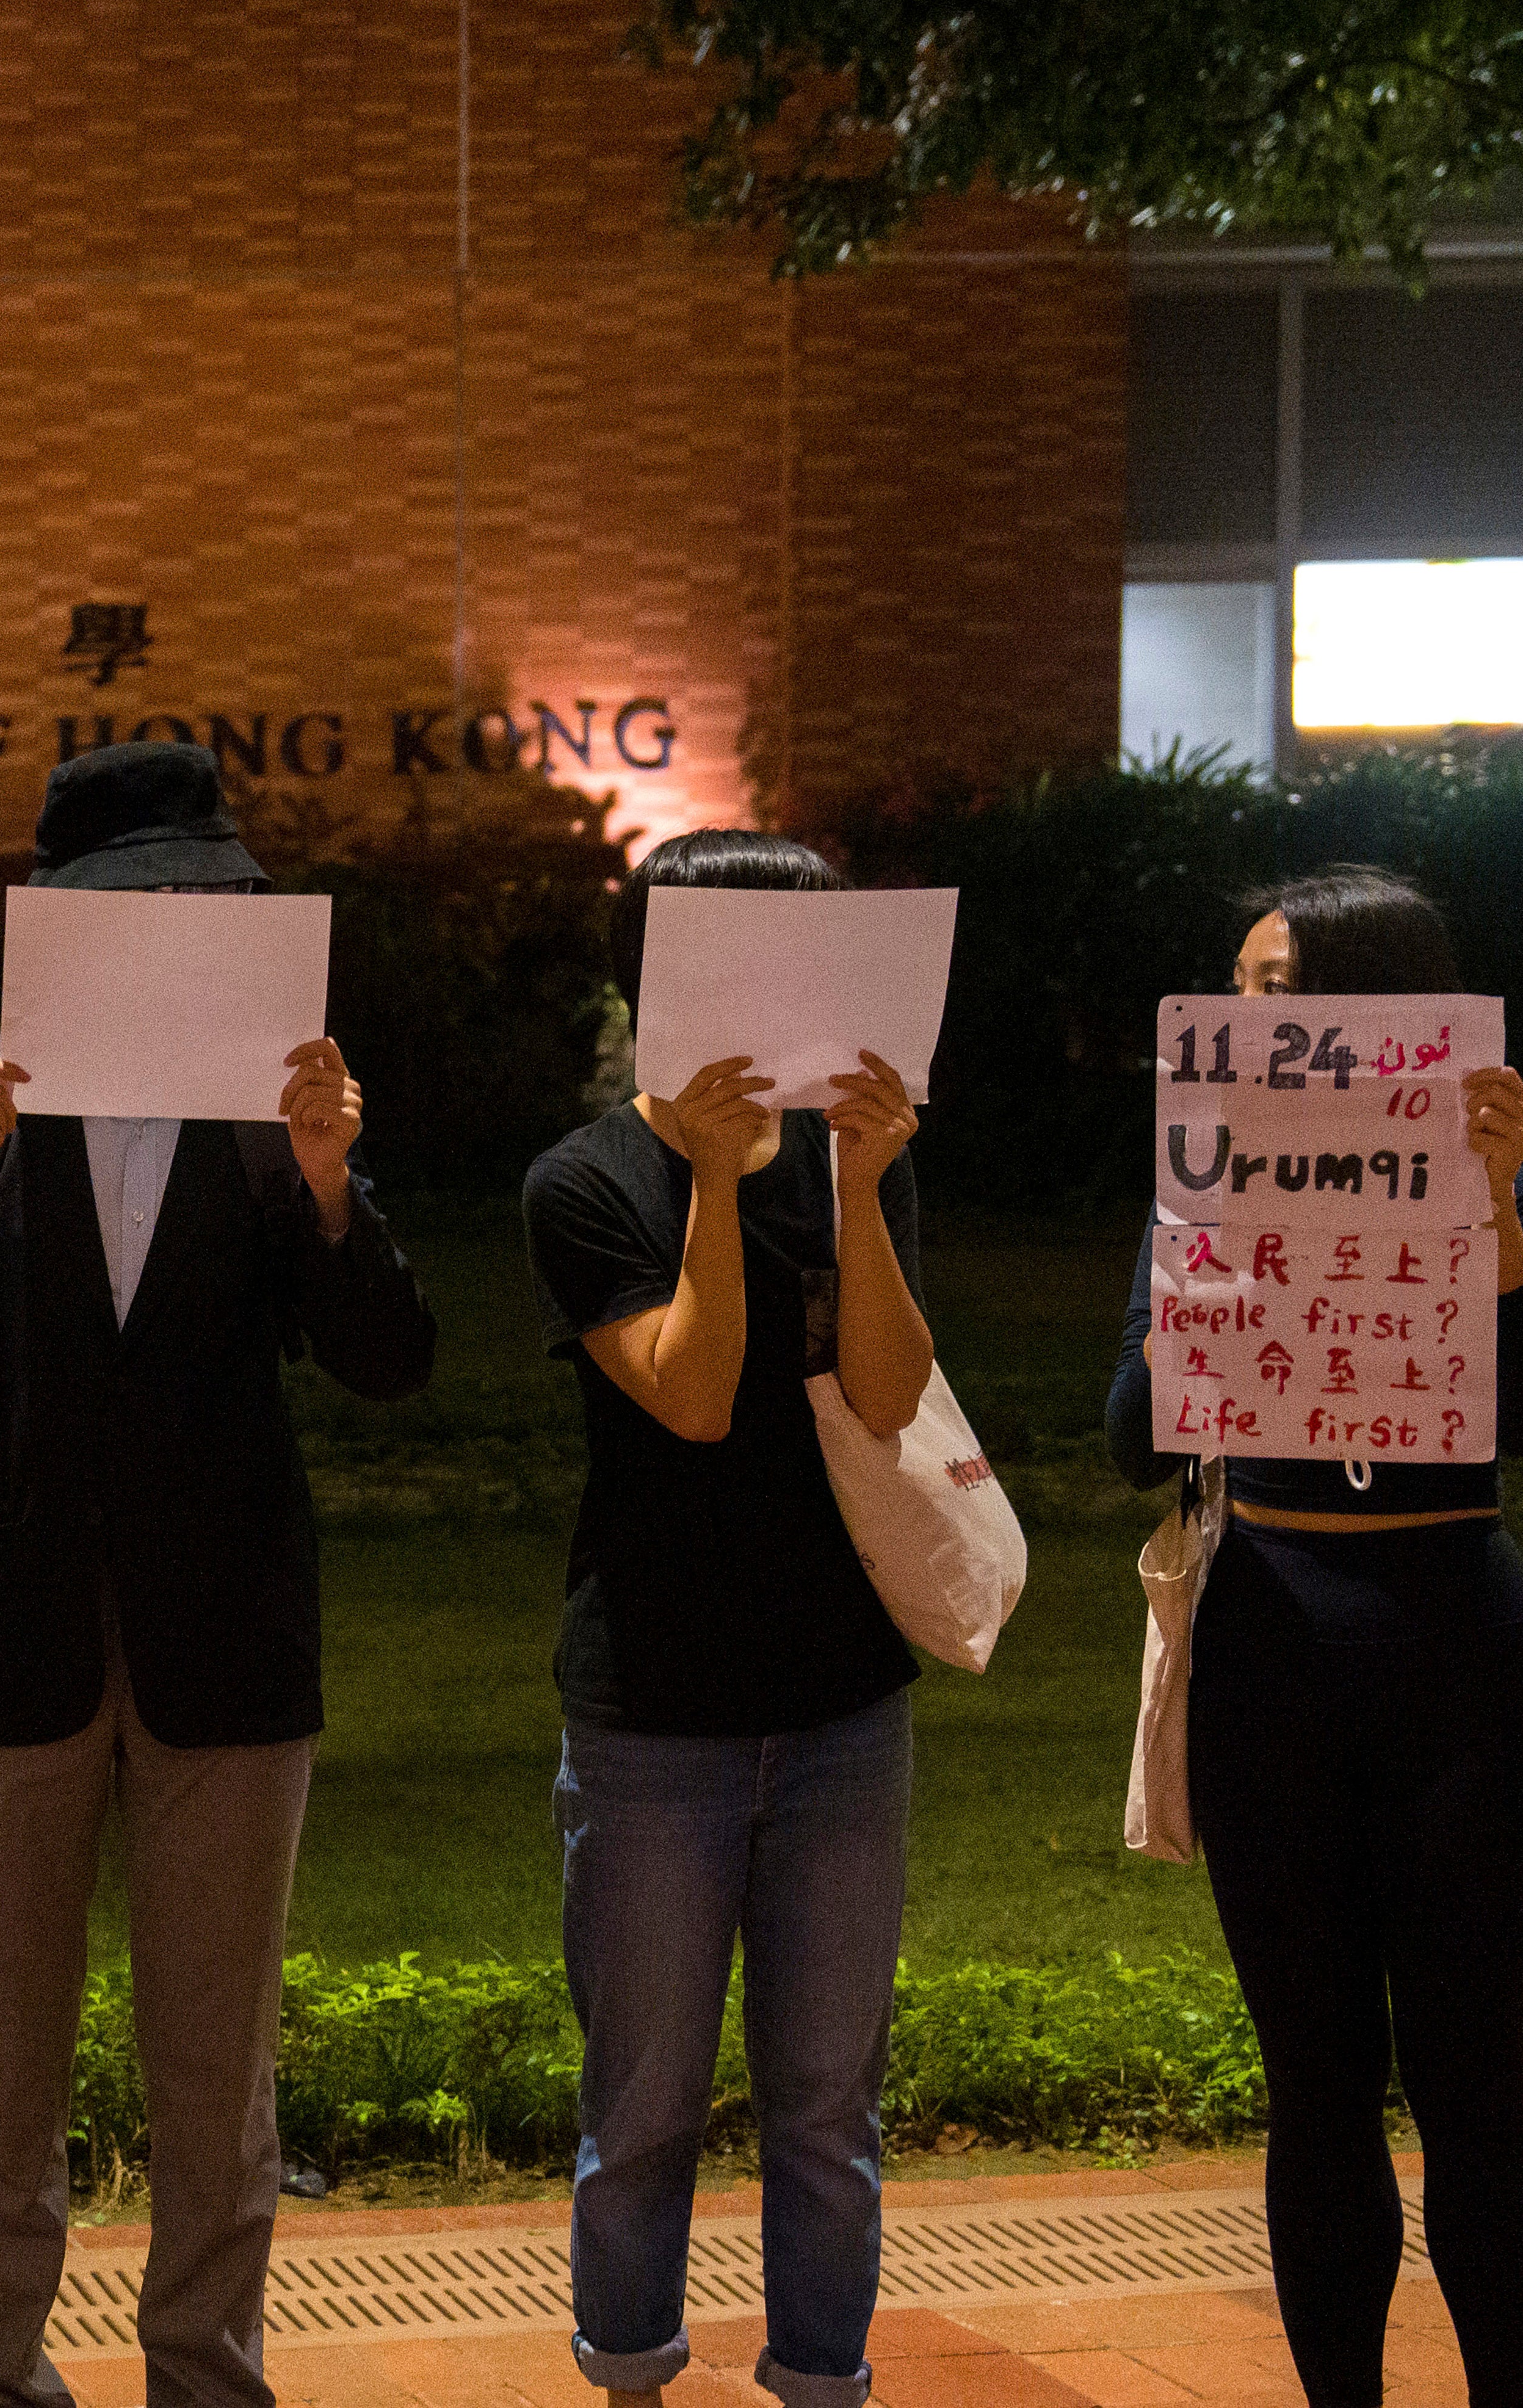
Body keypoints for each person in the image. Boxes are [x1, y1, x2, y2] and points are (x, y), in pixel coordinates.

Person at [0, 739, 435, 2408]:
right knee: (1, 2064)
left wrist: (326, 1179)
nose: (167, 927)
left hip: (225, 1641)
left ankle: (206, 2371)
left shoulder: (272, 1104)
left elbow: (389, 1354)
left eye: (197, 898)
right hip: (9, 1639)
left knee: (218, 2075)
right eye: (129, 901)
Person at [1106, 866, 1523, 2408]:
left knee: (1476, 2084)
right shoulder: (1201, 1182)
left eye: (1285, 990)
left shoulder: (1509, 1186)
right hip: (1272, 1659)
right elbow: (1132, 1433)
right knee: (1316, 2088)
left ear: (1388, 1009)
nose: (1252, 1017)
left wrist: (1491, 1196)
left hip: (1458, 1661)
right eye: (1241, 987)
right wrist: (1214, 1254)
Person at [516, 828, 932, 2408]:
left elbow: (887, 1394)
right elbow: (690, 1389)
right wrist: (709, 1175)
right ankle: (629, 2373)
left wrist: (872, 1189)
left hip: (841, 1700)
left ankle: (824, 2376)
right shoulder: (588, 1178)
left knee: (829, 2103)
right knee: (646, 2103)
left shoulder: (857, 1149)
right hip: (653, 1721)